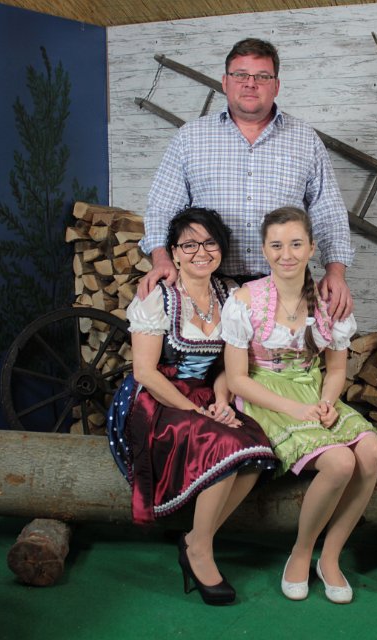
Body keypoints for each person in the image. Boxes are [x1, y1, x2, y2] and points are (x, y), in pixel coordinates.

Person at [106, 207, 278, 606]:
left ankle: (197, 539)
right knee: (223, 444)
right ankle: (201, 552)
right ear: (174, 253)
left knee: (256, 449)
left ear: (221, 248)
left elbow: (227, 365)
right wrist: (194, 409)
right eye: (189, 245)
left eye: (210, 242)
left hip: (206, 394)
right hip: (155, 399)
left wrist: (221, 401)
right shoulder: (159, 298)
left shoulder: (229, 295)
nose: (201, 252)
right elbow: (145, 372)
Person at [221, 206, 377, 604]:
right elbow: (238, 379)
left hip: (313, 390)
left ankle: (331, 557)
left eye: (296, 244)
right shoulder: (245, 300)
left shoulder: (328, 303)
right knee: (339, 462)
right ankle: (301, 551)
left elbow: (336, 369)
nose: (286, 254)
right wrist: (293, 409)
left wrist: (327, 402)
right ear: (264, 250)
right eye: (276, 246)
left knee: (371, 450)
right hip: (265, 395)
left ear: (312, 248)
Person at [138, 38, 355, 321]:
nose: (250, 84)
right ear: (225, 82)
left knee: (287, 352)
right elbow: (162, 208)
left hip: (285, 287)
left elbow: (329, 212)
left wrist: (336, 272)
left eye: (262, 76)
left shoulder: (305, 139)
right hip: (206, 285)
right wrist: (161, 258)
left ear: (276, 86)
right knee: (211, 353)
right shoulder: (190, 138)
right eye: (241, 75)